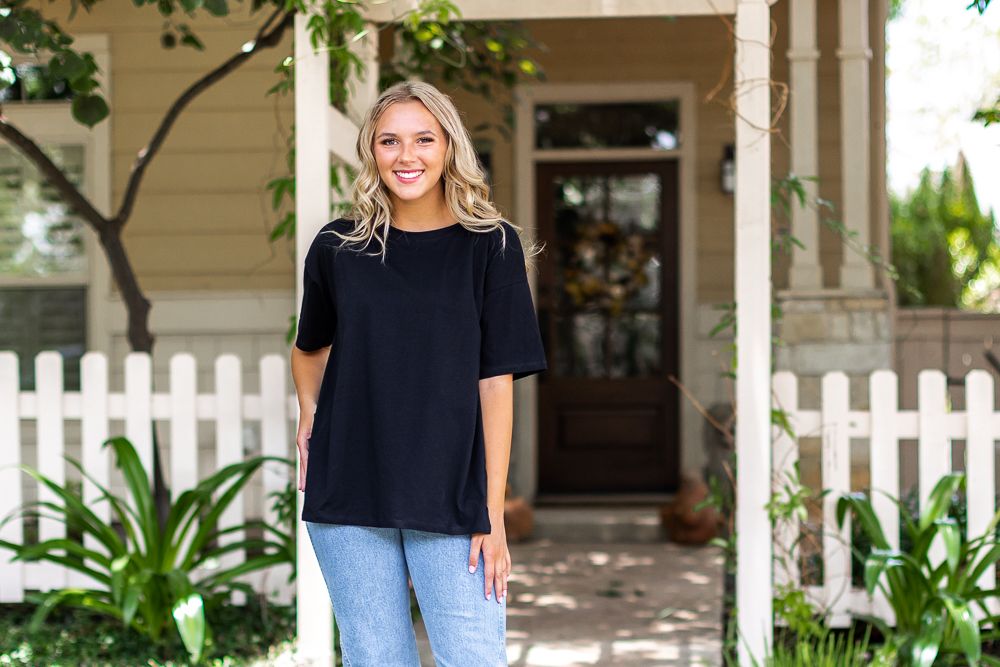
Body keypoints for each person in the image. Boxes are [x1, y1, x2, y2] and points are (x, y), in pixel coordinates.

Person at [290, 80, 548, 667]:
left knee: (472, 657)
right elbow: (308, 348)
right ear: (371, 152)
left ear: (450, 147)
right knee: (376, 657)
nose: (407, 156)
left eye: (424, 139)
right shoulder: (339, 247)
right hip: (350, 488)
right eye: (390, 141)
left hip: (455, 496)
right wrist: (310, 413)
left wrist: (493, 510)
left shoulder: (491, 246)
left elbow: (495, 382)